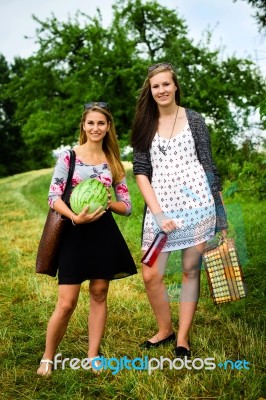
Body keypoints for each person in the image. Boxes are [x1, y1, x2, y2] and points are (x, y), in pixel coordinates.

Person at [131, 63, 227, 357]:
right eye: (155, 86)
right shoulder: (144, 125)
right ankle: (165, 329)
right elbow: (141, 172)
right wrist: (157, 214)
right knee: (150, 275)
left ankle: (182, 337)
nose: (161, 90)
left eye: (166, 84)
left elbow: (208, 165)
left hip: (198, 205)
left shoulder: (195, 120)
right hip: (161, 210)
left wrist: (220, 215)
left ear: (175, 86)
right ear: (150, 90)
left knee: (189, 270)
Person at [37, 102, 137, 376]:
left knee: (99, 293)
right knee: (67, 301)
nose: (96, 128)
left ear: (108, 127)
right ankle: (48, 356)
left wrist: (107, 201)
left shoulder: (113, 161)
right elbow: (53, 197)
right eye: (91, 123)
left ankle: (93, 354)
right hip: (73, 232)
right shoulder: (69, 157)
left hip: (103, 234)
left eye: (101, 123)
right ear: (84, 125)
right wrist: (74, 217)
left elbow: (126, 206)